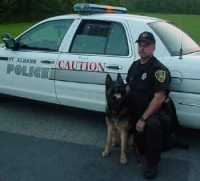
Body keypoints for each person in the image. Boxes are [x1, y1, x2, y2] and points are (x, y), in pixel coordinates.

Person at [126, 31, 173, 179]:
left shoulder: (159, 69)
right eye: (140, 45)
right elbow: (128, 87)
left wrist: (143, 119)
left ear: (153, 47)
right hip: (135, 110)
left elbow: (159, 98)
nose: (142, 48)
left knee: (152, 126)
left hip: (152, 113)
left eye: (146, 45)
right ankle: (140, 147)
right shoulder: (134, 65)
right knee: (139, 145)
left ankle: (153, 165)